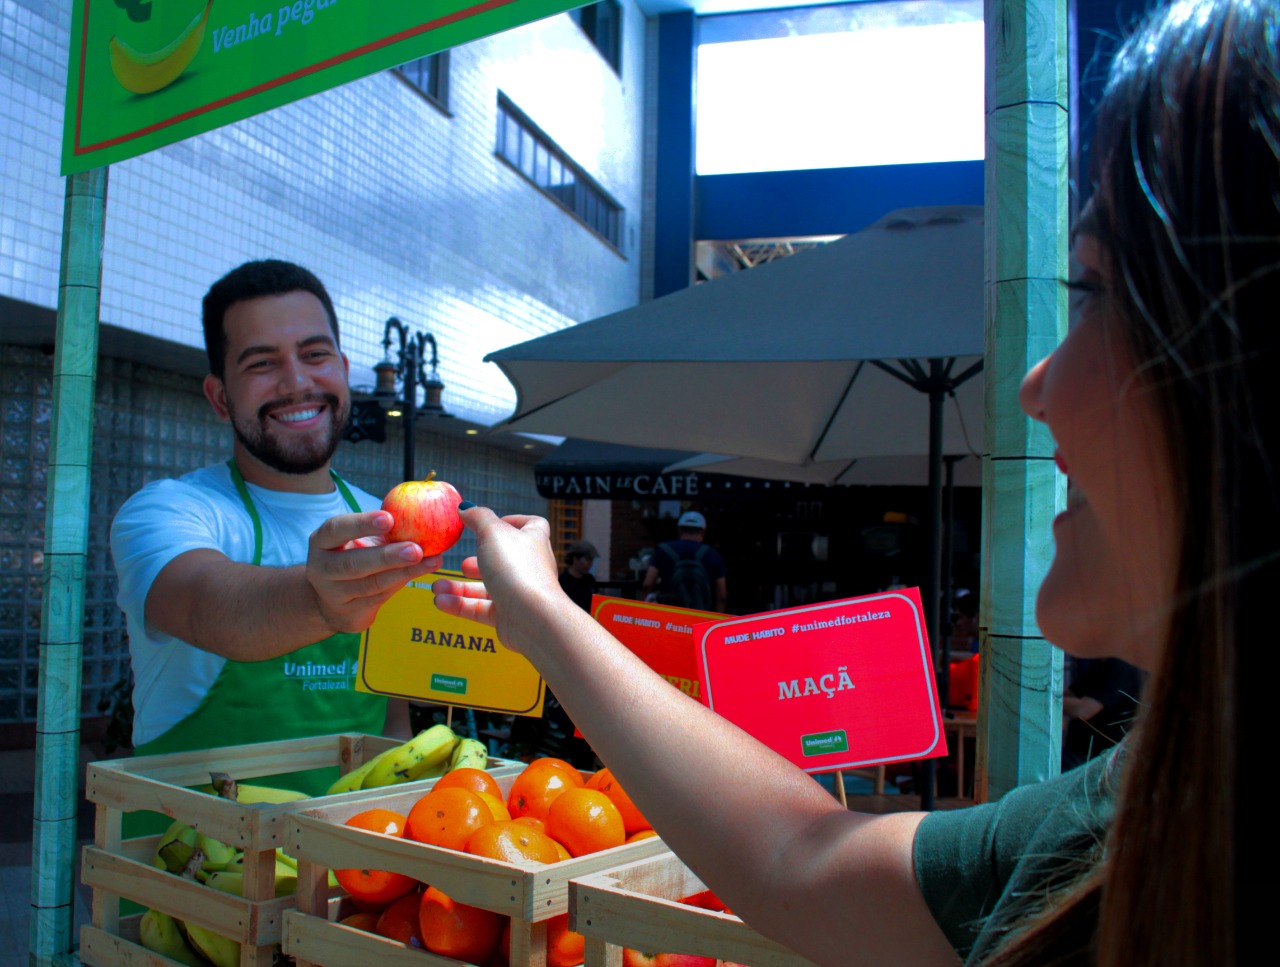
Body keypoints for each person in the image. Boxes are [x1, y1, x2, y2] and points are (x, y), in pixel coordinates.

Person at [433, 1, 1267, 962]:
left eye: (1098, 292)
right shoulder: (1139, 796)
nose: (1036, 384)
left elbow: (803, 862)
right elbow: (800, 858)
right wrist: (541, 614)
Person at [111, 260, 441, 788]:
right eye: (262, 363)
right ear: (221, 397)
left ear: (342, 367)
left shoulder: (384, 520)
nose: (297, 382)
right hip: (190, 855)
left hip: (354, 861)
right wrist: (323, 600)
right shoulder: (170, 511)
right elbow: (206, 604)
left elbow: (390, 718)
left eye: (315, 355)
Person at [1061, 658, 1143, 771]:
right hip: (1082, 752)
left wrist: (1041, 700)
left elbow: (1084, 710)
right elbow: (1073, 693)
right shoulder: (1103, 662)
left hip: (1098, 758)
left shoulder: (1122, 665)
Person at [640, 510, 728, 612]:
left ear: (679, 529)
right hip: (700, 615)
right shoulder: (714, 555)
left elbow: (647, 584)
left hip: (670, 614)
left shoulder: (663, 550)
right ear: (703, 531)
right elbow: (722, 595)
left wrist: (640, 613)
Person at [557, 540, 600, 611]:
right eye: (587, 559)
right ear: (575, 559)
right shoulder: (563, 582)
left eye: (592, 560)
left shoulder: (589, 579)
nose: (590, 564)